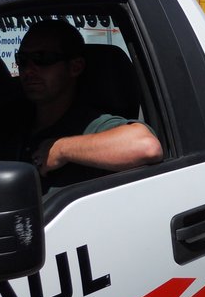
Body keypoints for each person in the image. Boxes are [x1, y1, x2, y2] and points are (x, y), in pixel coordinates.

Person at [11, 19, 163, 191]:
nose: (29, 70)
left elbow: (146, 146)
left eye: (43, 59)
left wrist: (61, 149)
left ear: (75, 67)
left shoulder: (90, 125)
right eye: (22, 59)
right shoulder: (8, 124)